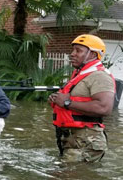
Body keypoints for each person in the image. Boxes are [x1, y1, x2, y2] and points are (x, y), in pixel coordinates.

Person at [48, 34, 116, 163]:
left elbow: (104, 108)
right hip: (73, 139)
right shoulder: (80, 75)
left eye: (78, 51)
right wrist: (56, 100)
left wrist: (67, 102)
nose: (72, 54)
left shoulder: (100, 76)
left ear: (93, 55)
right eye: (73, 50)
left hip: (86, 141)